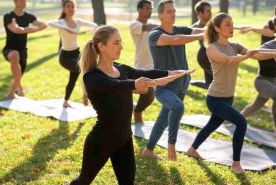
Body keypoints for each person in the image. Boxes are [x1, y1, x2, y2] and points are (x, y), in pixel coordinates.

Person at [69, 25, 196, 185]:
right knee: (84, 180)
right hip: (102, 140)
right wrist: (136, 84)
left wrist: (171, 73)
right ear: (101, 46)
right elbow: (115, 85)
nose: (121, 47)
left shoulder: (121, 69)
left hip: (124, 138)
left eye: (120, 42)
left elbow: (143, 72)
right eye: (116, 43)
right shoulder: (92, 77)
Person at [186, 13, 276, 174]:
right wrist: (245, 56)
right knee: (241, 122)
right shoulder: (212, 48)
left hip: (228, 97)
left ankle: (192, 149)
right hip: (215, 98)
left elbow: (255, 54)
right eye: (227, 24)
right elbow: (227, 60)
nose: (232, 27)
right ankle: (236, 164)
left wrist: (274, 53)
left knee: (212, 124)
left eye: (232, 24)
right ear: (217, 28)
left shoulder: (235, 45)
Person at [142, 0, 204, 161]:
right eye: (169, 11)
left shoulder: (179, 29)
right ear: (160, 14)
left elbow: (195, 31)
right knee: (177, 107)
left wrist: (215, 28)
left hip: (182, 84)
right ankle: (171, 149)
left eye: (174, 11)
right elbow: (177, 39)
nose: (173, 14)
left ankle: (148, 150)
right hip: (164, 86)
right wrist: (203, 34)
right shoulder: (155, 35)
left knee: (163, 119)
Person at [239, 4, 276, 140]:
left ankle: (238, 119)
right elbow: (256, 54)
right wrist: (273, 53)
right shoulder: (271, 45)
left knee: (256, 105)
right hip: (262, 81)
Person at [48, 0, 98, 108]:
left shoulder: (78, 22)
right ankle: (86, 94)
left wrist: (93, 30)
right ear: (64, 9)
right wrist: (65, 28)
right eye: (68, 6)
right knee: (84, 69)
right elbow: (50, 23)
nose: (71, 9)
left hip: (76, 53)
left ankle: (66, 101)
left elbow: (94, 24)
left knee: (73, 79)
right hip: (65, 56)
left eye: (73, 6)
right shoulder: (61, 22)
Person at [3, 0, 47, 98]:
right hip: (10, 49)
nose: (24, 3)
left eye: (25, 1)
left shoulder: (28, 16)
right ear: (15, 2)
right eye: (21, 1)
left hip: (23, 50)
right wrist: (32, 29)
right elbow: (16, 30)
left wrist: (27, 29)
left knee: (18, 74)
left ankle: (20, 91)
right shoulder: (8, 16)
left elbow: (43, 25)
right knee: (14, 55)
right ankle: (11, 93)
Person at [130, 0, 158, 123]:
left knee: (148, 96)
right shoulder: (135, 25)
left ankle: (136, 111)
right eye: (147, 8)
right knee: (149, 93)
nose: (150, 11)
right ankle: (122, 89)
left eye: (151, 9)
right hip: (140, 66)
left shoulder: (153, 24)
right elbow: (147, 27)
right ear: (139, 9)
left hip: (152, 65)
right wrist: (164, 25)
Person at [190, 1, 213, 89]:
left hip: (214, 55)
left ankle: (192, 82)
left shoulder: (213, 23)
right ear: (200, 13)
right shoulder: (196, 27)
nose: (210, 13)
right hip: (204, 56)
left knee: (209, 84)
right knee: (219, 78)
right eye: (207, 11)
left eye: (210, 10)